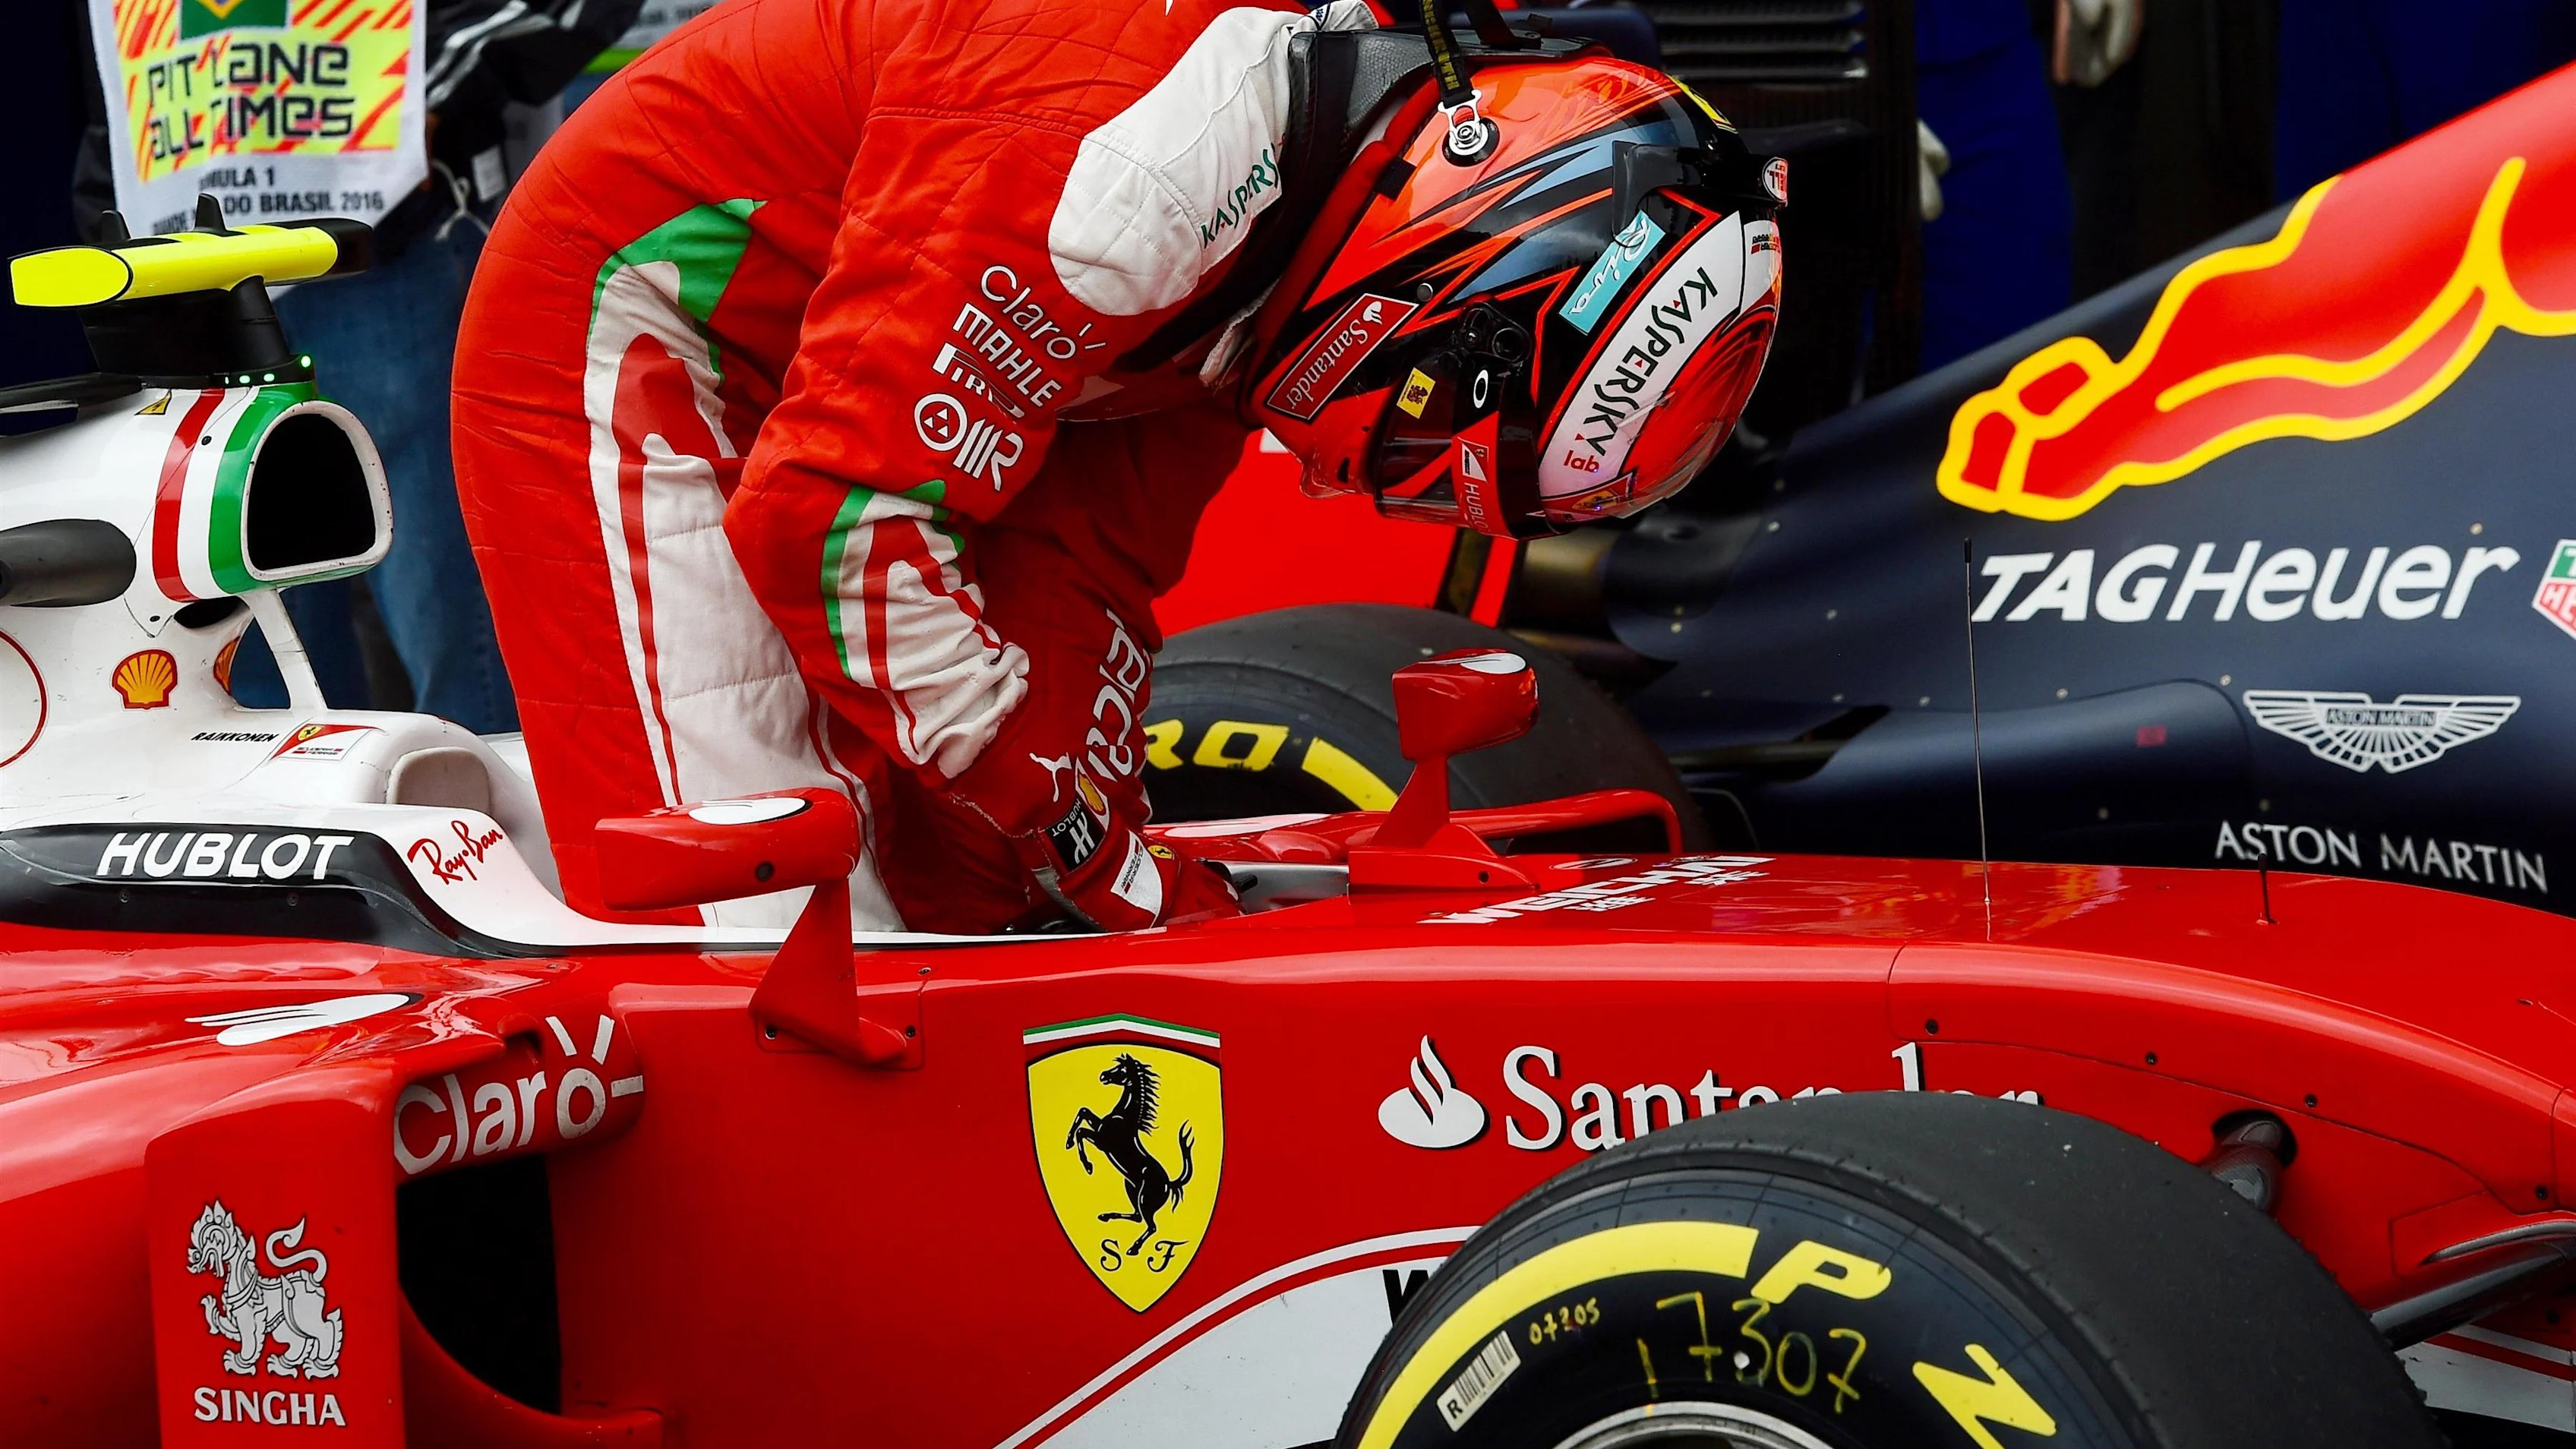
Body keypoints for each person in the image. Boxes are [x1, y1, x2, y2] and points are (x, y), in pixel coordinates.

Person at [451, 0, 1785, 934]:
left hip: (908, 326)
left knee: (988, 887)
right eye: (1423, 446)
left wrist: (1060, 843)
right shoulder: (1131, 180)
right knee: (758, 920)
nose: (1362, 487)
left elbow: (1075, 584)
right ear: (1445, 298)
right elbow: (833, 516)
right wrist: (1049, 809)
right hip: (655, 315)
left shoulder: (1328, 187)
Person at [71, 0, 642, 730]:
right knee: (256, 633)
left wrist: (431, 89)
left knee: (453, 614)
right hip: (199, 274)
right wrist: (118, 229)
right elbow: (121, 79)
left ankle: (494, 827)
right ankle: (300, 830)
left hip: (383, 248)